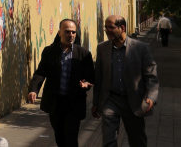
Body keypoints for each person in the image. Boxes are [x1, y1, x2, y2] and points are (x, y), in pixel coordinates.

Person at [92, 15, 159, 147]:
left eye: (110, 27)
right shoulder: (102, 48)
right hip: (111, 101)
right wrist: (95, 103)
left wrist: (151, 96)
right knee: (109, 140)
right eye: (106, 27)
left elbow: (151, 74)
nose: (107, 30)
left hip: (134, 101)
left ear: (122, 28)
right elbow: (99, 77)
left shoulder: (141, 48)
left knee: (137, 141)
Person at [27, 19, 95, 147]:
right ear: (59, 33)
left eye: (73, 32)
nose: (71, 35)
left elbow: (90, 76)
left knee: (71, 138)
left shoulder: (84, 54)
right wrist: (33, 89)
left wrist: (86, 84)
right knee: (59, 137)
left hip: (74, 103)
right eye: (67, 32)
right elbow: (40, 72)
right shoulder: (49, 52)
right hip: (55, 103)